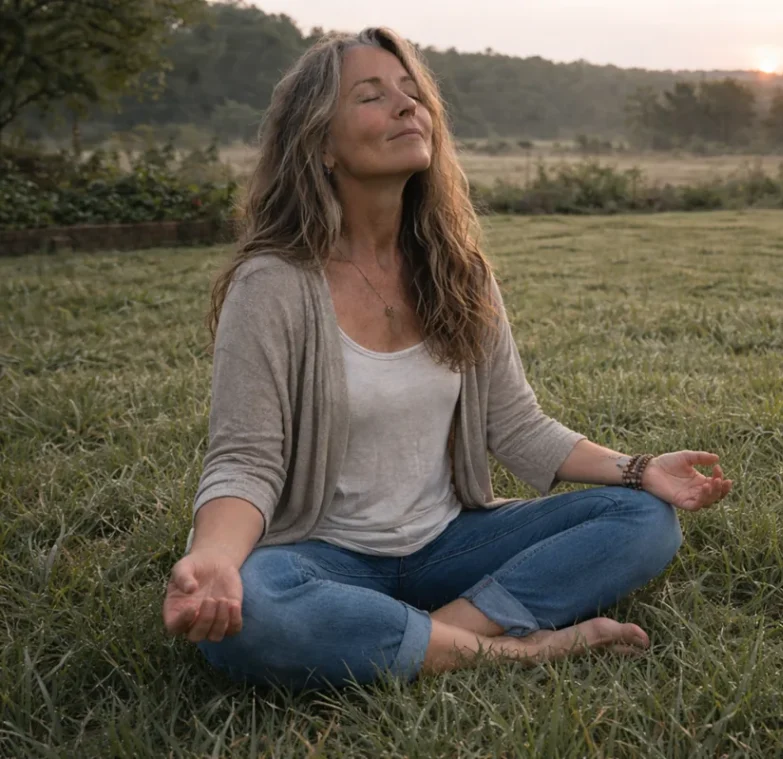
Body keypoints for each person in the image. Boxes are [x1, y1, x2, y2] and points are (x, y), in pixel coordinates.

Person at [161, 27, 733, 690]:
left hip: (451, 544)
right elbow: (245, 461)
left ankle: (417, 634)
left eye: (414, 94)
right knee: (252, 612)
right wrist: (215, 559)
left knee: (643, 518)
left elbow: (516, 427)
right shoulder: (273, 285)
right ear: (320, 143)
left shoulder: (460, 273)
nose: (409, 108)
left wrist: (638, 469)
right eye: (373, 97)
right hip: (322, 556)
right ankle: (515, 649)